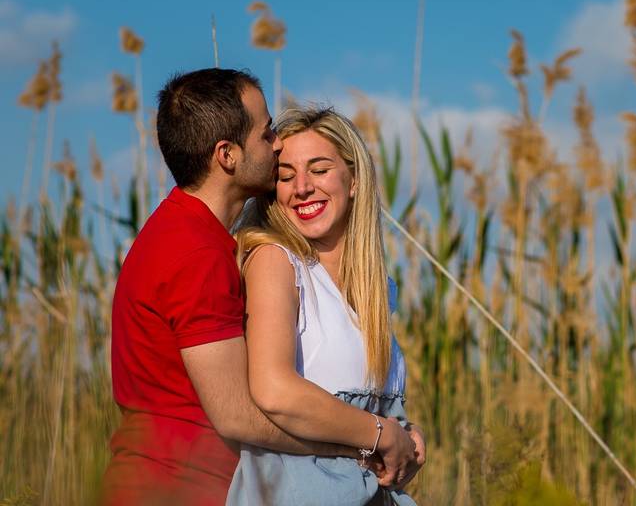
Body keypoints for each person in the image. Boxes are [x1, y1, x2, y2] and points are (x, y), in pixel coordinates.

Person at [101, 69, 420, 505]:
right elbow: (242, 414)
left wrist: (388, 433)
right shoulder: (197, 254)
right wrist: (371, 441)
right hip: (179, 487)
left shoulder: (194, 239)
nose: (275, 144)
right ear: (228, 155)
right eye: (266, 133)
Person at [227, 105, 424, 506]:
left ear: (353, 180)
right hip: (300, 493)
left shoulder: (377, 288)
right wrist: (382, 433)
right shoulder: (276, 261)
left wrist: (408, 435)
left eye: (319, 170)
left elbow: (371, 403)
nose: (301, 187)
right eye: (285, 176)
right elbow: (273, 389)